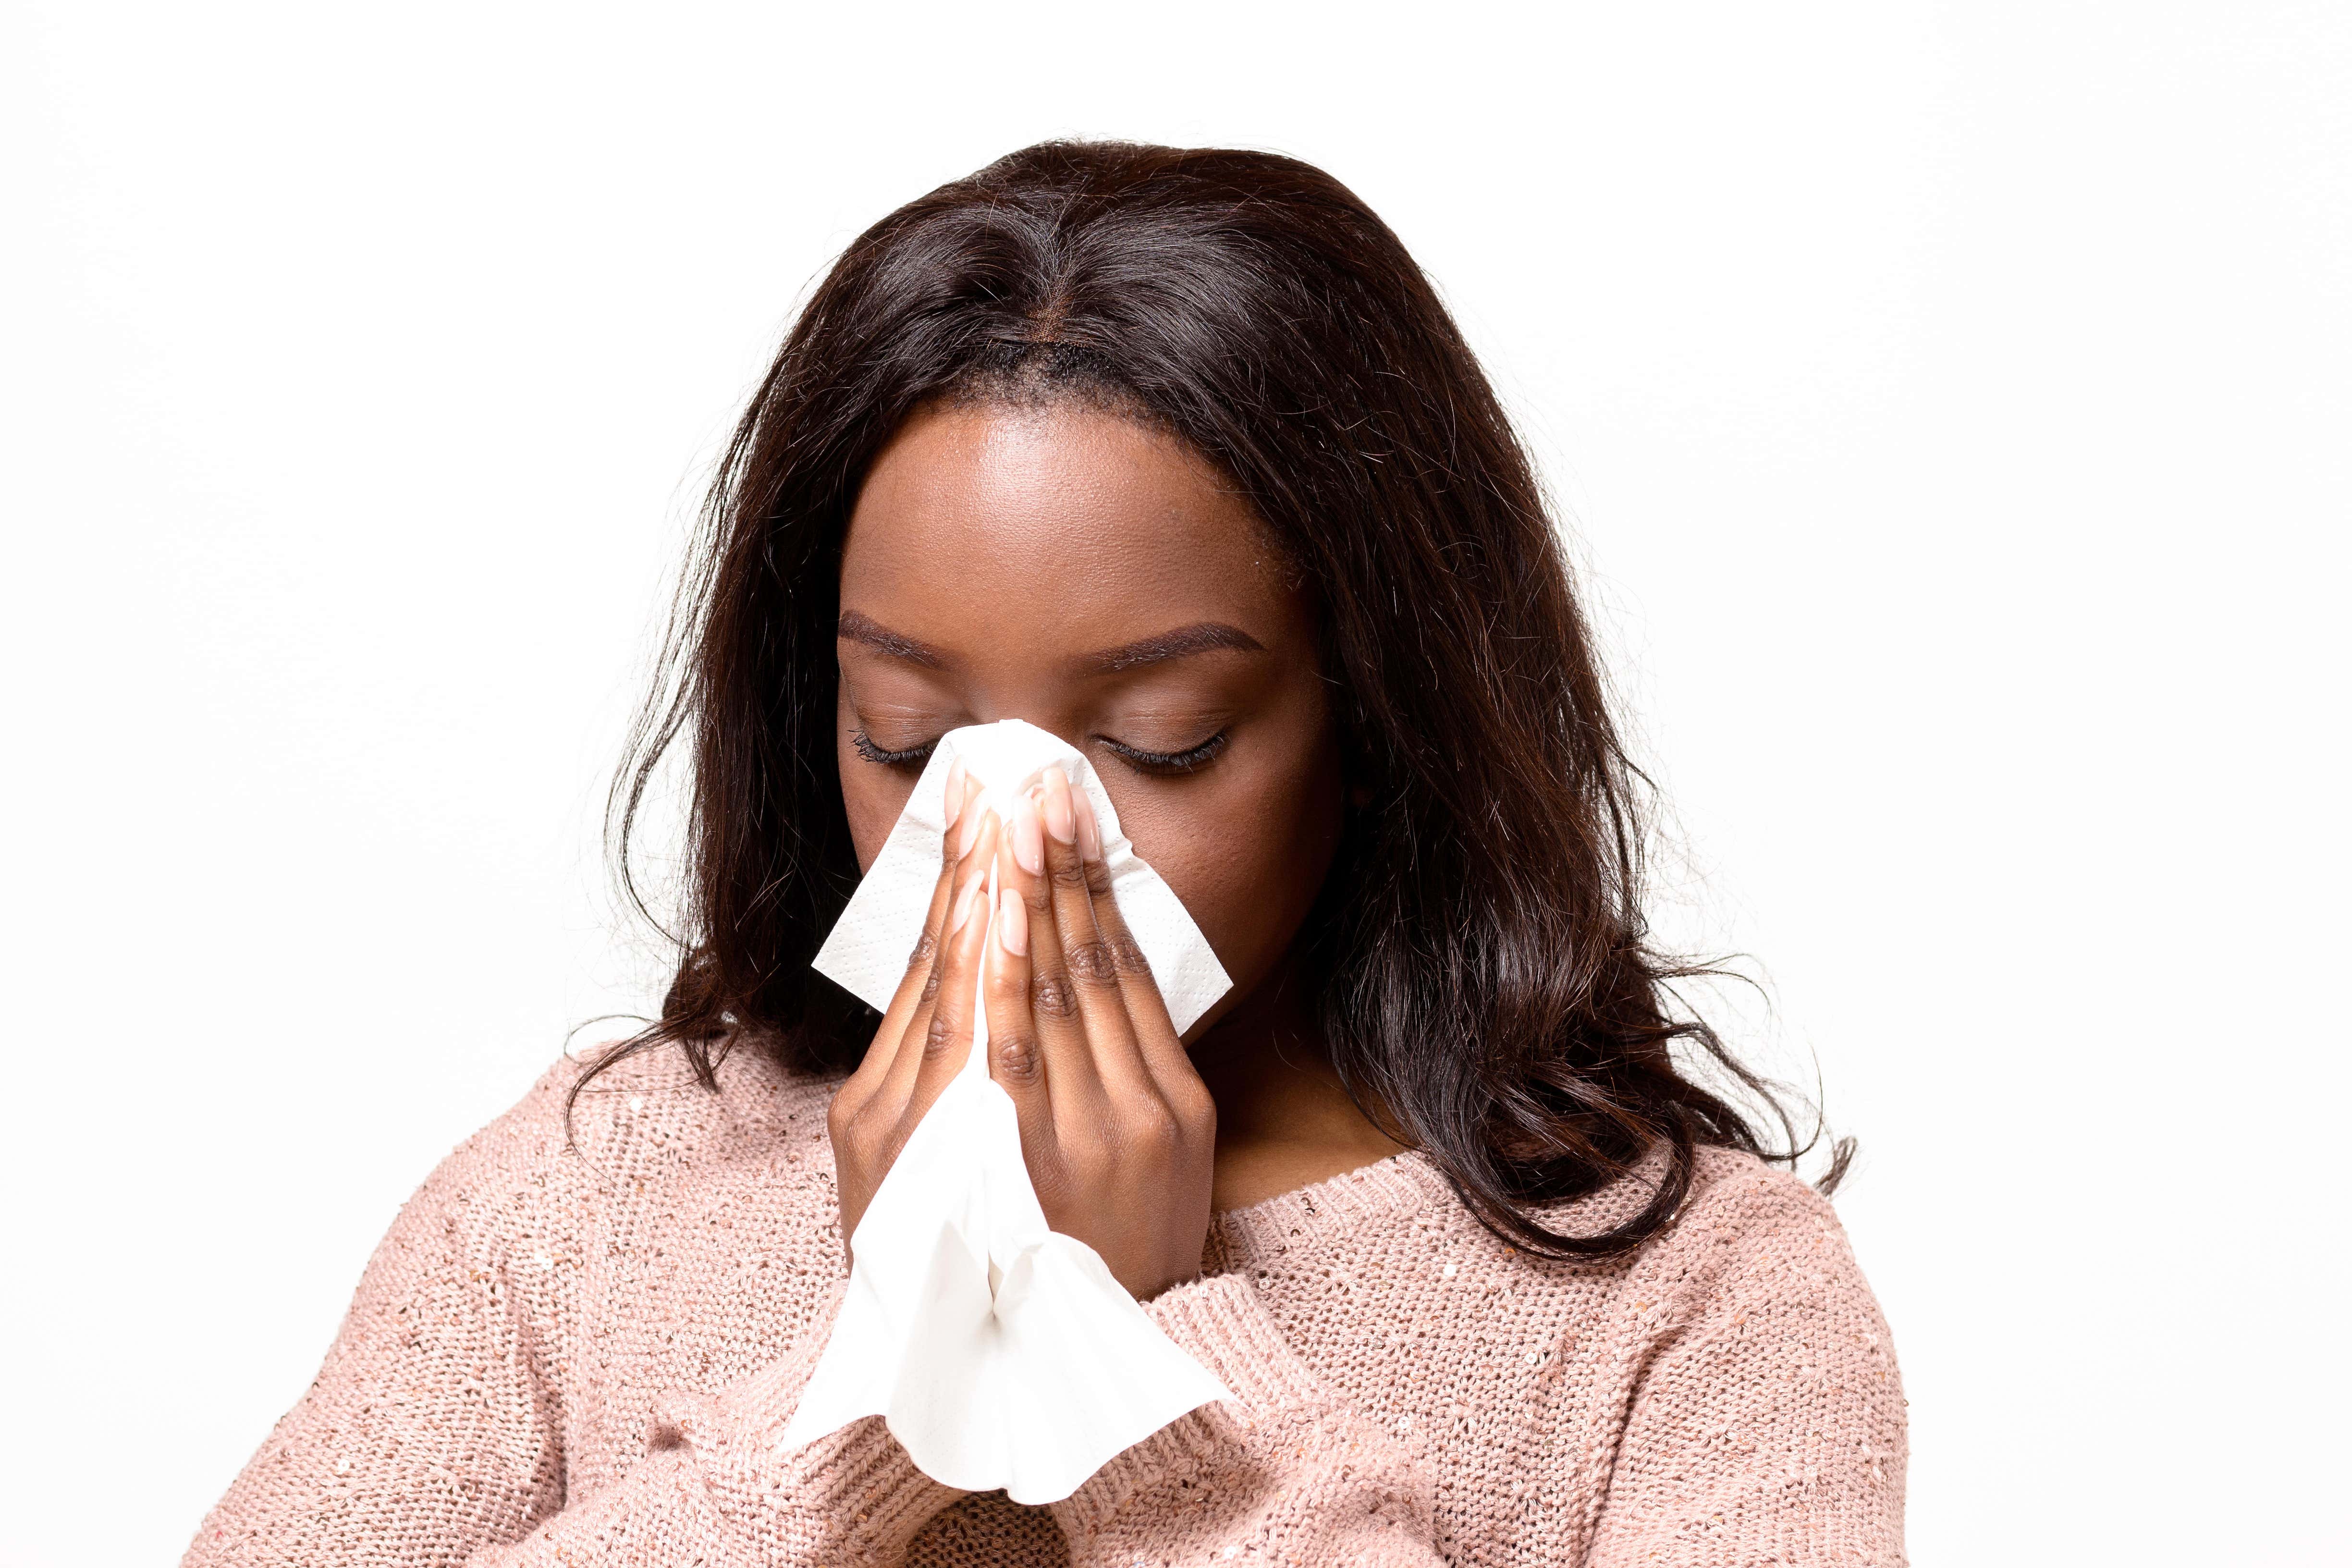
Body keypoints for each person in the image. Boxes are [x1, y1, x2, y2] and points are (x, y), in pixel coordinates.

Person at [184, 141, 1905, 1566]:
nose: (1009, 839)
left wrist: (1151, 1377)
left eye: (1163, 744)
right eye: (911, 746)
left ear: (1380, 720)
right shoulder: (592, 1195)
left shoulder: (1694, 1304)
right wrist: (860, 1395)